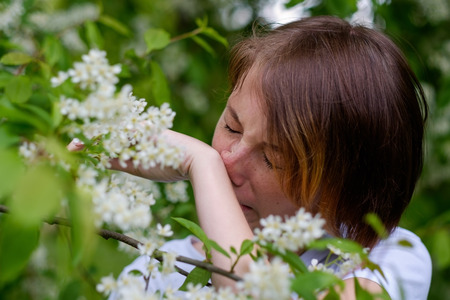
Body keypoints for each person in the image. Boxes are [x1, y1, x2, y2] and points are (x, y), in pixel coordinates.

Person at [70, 15, 432, 299]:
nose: (228, 162)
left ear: (344, 187)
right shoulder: (153, 272)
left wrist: (202, 164)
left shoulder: (385, 264)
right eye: (231, 126)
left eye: (274, 159)